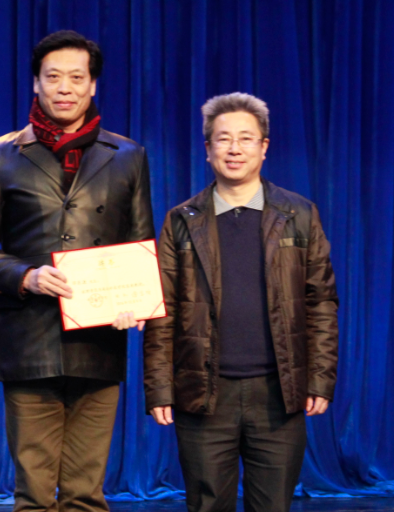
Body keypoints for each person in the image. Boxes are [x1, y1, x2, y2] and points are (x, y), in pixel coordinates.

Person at [0, 30, 154, 512]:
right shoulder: (0, 155)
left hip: (99, 341)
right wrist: (27, 276)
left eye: (76, 78)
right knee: (35, 496)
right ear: (36, 83)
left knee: (87, 494)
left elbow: (140, 247)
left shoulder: (128, 156)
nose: (65, 88)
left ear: (93, 85)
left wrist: (137, 302)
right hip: (30, 342)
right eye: (54, 77)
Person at [143, 92, 338, 512]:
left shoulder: (299, 214)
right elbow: (163, 309)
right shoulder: (181, 220)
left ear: (264, 147)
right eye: (223, 139)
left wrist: (320, 379)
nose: (234, 149)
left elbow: (321, 301)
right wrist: (159, 387)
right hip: (203, 393)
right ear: (207, 149)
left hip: (279, 393)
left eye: (246, 139)